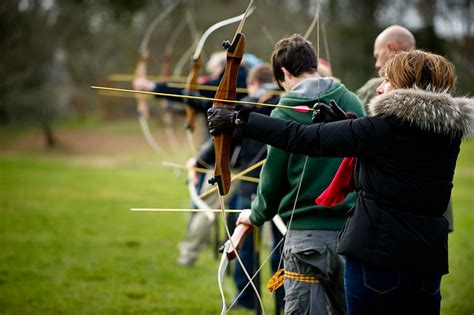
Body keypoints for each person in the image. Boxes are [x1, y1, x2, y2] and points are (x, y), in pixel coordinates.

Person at [207, 49, 474, 314]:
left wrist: (239, 120)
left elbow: (302, 138)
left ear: (407, 85)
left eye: (387, 81)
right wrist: (346, 125)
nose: (380, 89)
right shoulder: (446, 135)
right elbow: (392, 163)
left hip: (377, 262)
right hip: (426, 263)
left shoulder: (384, 129)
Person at [213, 34, 366, 314]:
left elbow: (273, 177)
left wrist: (256, 214)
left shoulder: (285, 110)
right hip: (352, 235)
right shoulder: (352, 101)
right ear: (313, 64)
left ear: (284, 73)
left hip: (306, 240)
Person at [356, 25, 416, 110]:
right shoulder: (432, 84)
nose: (377, 64)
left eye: (377, 55)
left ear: (391, 49)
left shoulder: (373, 88)